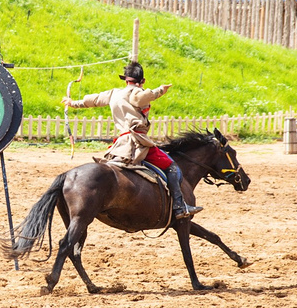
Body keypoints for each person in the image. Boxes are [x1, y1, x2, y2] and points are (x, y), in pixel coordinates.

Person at [62, 61, 202, 220]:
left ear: (125, 80)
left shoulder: (114, 93)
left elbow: (94, 100)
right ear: (142, 81)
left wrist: (73, 103)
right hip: (137, 142)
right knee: (172, 167)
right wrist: (161, 90)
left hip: (120, 144)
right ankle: (179, 207)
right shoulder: (136, 93)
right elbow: (144, 96)